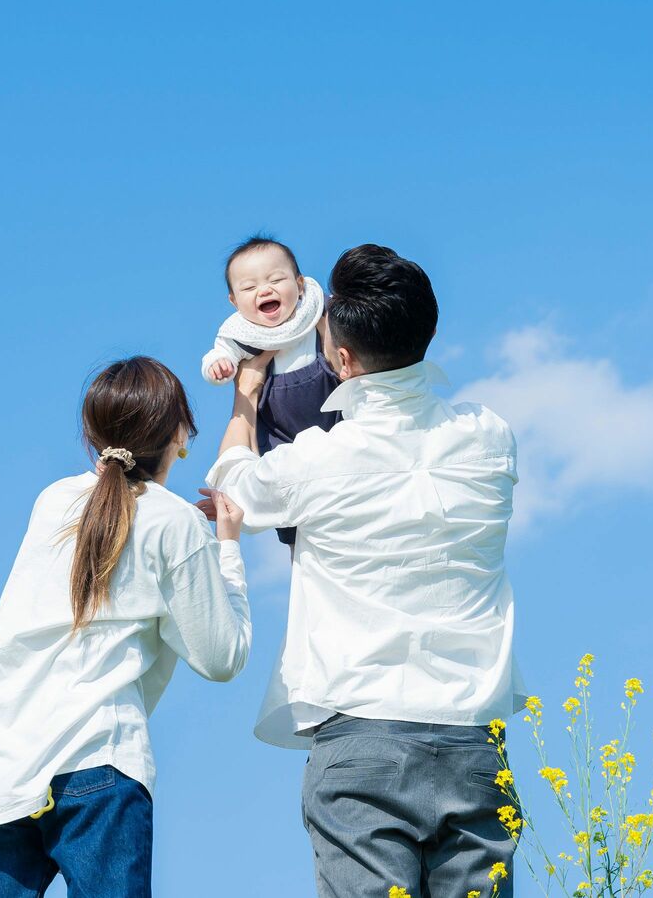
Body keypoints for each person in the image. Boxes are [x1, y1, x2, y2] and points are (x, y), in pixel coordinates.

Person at [203, 245, 524, 898]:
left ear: (342, 362)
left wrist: (245, 401)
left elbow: (233, 482)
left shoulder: (320, 460)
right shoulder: (491, 437)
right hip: (474, 742)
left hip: (361, 735)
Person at [0, 356, 252, 898]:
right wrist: (225, 547)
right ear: (179, 434)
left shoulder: (53, 502)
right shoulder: (174, 522)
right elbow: (221, 657)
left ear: (92, 434)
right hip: (97, 758)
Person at [200, 235, 343, 546]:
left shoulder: (316, 313)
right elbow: (218, 354)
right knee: (283, 492)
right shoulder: (242, 335)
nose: (264, 290)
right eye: (249, 288)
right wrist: (219, 366)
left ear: (301, 285)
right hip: (279, 431)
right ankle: (294, 533)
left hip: (332, 413)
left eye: (277, 279)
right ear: (234, 302)